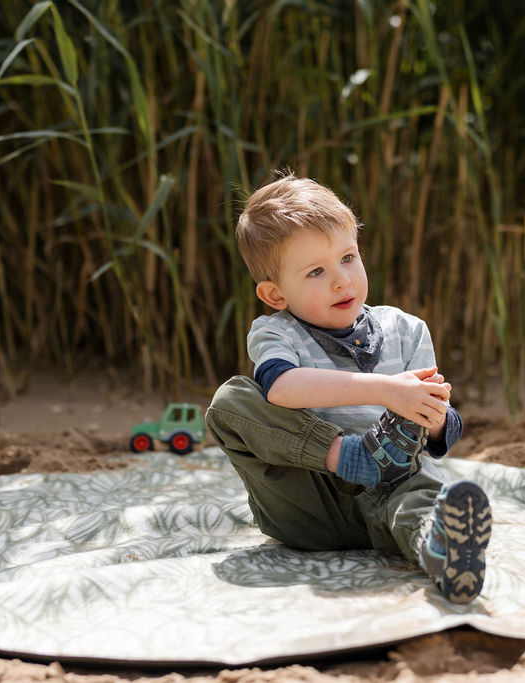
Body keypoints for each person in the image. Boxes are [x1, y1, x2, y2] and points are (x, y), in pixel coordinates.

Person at [205, 173, 491, 603]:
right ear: (275, 294)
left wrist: (433, 420)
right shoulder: (275, 333)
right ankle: (357, 458)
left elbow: (435, 433)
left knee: (419, 492)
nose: (341, 280)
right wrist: (385, 391)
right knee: (230, 402)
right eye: (316, 271)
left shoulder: (406, 330)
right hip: (309, 504)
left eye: (348, 258)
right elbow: (282, 387)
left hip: (390, 495)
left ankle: (443, 555)